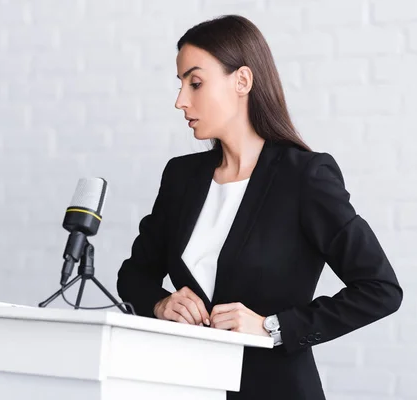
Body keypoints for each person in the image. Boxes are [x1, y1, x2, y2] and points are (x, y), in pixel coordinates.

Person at [116, 14, 402, 400]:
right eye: (181, 84)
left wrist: (274, 327)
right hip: (183, 386)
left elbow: (380, 288)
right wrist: (160, 303)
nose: (181, 100)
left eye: (195, 83)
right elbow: (133, 275)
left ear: (243, 81)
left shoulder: (305, 177)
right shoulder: (181, 177)